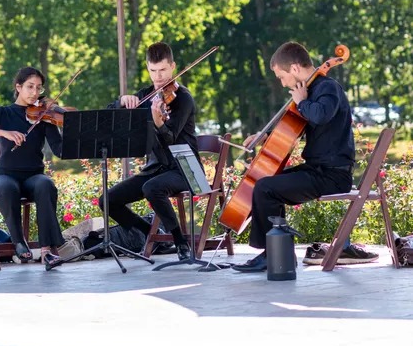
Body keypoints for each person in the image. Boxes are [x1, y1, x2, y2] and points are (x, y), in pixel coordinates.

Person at [231, 41, 378, 273]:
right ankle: (278, 252)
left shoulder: (328, 88)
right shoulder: (310, 92)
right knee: (266, 185)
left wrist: (301, 102)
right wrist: (263, 135)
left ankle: (273, 254)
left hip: (332, 175)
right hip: (316, 170)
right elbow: (292, 125)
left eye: (281, 76)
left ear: (295, 69)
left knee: (266, 188)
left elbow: (320, 115)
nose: (282, 83)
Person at [99, 42, 199, 260]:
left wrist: (159, 123)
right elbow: (109, 116)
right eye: (153, 71)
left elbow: (171, 138)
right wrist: (121, 102)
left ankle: (180, 243)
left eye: (163, 70)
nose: (159, 76)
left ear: (173, 66)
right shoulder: (145, 96)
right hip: (156, 168)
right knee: (107, 200)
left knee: (151, 187)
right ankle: (150, 235)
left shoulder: (183, 98)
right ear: (147, 68)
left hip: (184, 168)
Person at [0, 66, 65, 267]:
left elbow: (60, 150)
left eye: (39, 88)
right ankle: (19, 243)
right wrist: (2, 132)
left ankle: (46, 251)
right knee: (6, 188)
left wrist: (69, 126)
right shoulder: (3, 113)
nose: (35, 93)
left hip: (33, 177)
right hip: (4, 176)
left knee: (46, 185)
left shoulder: (44, 116)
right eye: (30, 87)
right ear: (18, 87)